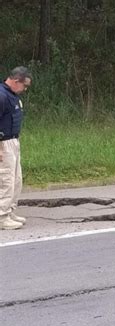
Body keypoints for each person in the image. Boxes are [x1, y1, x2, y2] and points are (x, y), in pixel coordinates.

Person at [0, 66, 32, 230]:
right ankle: (1, 216)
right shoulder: (2, 95)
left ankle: (9, 210)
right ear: (15, 80)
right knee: (6, 180)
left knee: (16, 180)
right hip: (3, 143)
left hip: (13, 141)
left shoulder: (12, 96)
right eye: (24, 85)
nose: (25, 89)